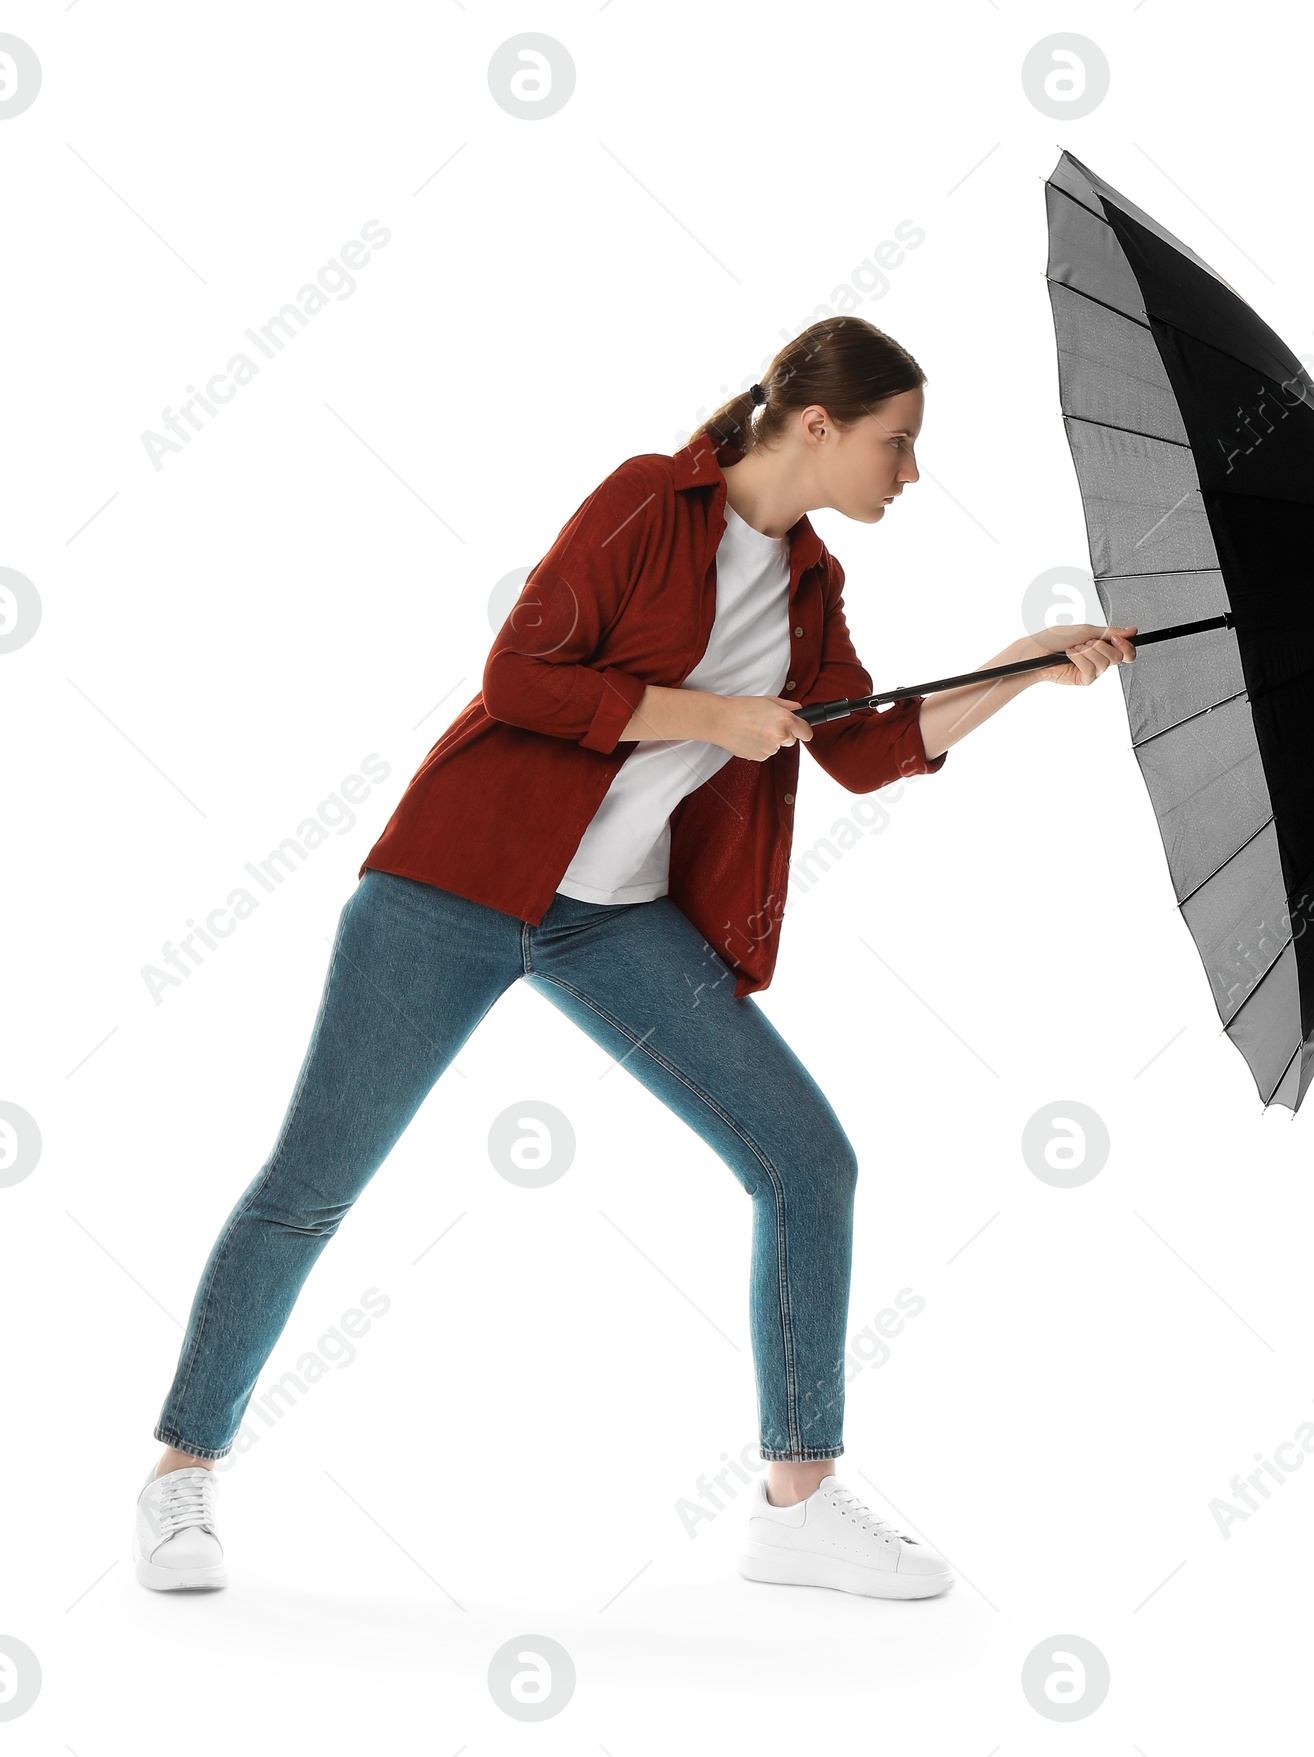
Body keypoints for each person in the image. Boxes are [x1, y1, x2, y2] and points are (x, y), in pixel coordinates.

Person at [133, 314, 1135, 1598]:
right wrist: (710, 715)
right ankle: (180, 1473)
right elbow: (518, 677)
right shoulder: (644, 502)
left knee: (805, 1160)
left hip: (611, 917)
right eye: (897, 442)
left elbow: (863, 747)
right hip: (455, 881)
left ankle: (798, 1497)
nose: (911, 471)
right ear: (816, 426)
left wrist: (1019, 668)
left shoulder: (813, 584)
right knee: (312, 1184)